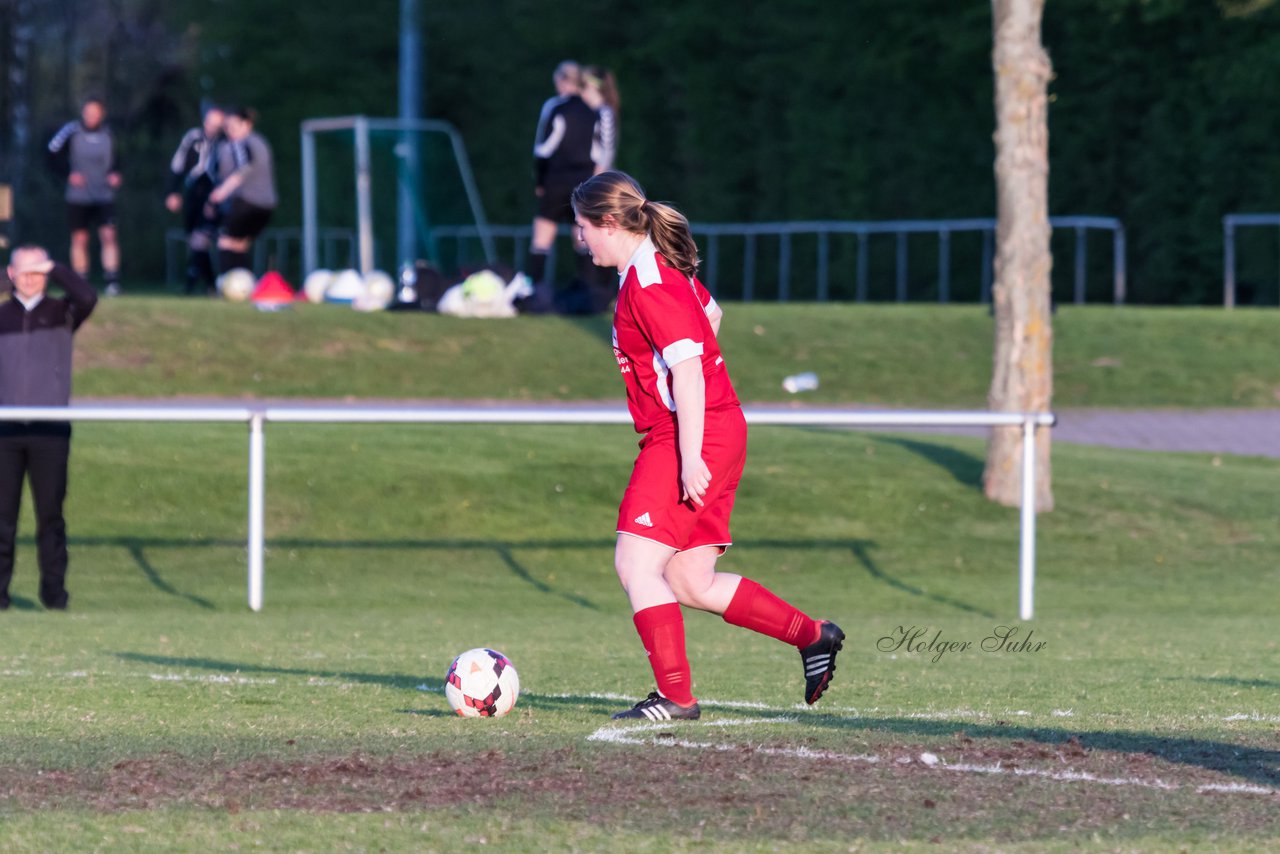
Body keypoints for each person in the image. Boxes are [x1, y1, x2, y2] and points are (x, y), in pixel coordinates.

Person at [570, 171, 845, 720]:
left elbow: (690, 369)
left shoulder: (649, 283)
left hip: (688, 433)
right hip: (713, 427)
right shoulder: (655, 273)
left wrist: (691, 453)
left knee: (635, 562)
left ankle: (675, 697)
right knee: (688, 579)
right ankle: (813, 636)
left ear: (607, 224)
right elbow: (709, 316)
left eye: (582, 228)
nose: (580, 240)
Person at [0, 245, 98, 611]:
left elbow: (88, 295)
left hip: (50, 431)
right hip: (4, 432)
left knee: (51, 517)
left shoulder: (63, 312)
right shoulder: (3, 315)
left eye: (38, 272)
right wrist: (10, 276)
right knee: (2, 519)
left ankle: (55, 597)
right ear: (11, 274)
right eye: (25, 271)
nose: (32, 278)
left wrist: (54, 267)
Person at [523, 61, 598, 313]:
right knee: (583, 237)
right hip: (584, 183)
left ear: (562, 81)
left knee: (542, 238)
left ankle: (534, 293)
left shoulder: (555, 107)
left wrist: (540, 181)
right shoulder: (592, 110)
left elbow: (543, 148)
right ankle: (589, 294)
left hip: (556, 180)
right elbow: (598, 152)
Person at [47, 97, 122, 296]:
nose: (91, 117)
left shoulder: (109, 134)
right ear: (83, 113)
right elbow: (51, 153)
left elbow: (119, 158)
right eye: (88, 112)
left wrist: (116, 173)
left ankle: (112, 281)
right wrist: (67, 175)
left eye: (96, 113)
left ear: (102, 114)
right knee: (80, 238)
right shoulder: (71, 131)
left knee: (109, 235)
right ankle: (81, 282)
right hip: (79, 196)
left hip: (104, 194)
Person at [208, 107, 277, 276]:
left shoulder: (241, 143)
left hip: (247, 202)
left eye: (233, 126)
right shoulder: (261, 142)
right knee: (239, 244)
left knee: (225, 242)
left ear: (246, 125)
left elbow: (243, 168)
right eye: (227, 127)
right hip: (267, 206)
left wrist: (222, 191)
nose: (229, 131)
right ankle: (245, 286)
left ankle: (226, 284)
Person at [165, 105, 225, 295]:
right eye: (211, 122)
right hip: (194, 194)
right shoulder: (193, 138)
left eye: (218, 123)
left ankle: (190, 284)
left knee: (203, 236)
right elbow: (178, 164)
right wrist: (172, 191)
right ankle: (211, 285)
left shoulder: (224, 142)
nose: (213, 127)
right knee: (196, 241)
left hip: (214, 194)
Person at [581, 66, 620, 175]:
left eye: (584, 86)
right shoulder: (589, 112)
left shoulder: (605, 113)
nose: (581, 91)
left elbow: (607, 148)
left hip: (598, 175)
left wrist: (597, 176)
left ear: (594, 87)